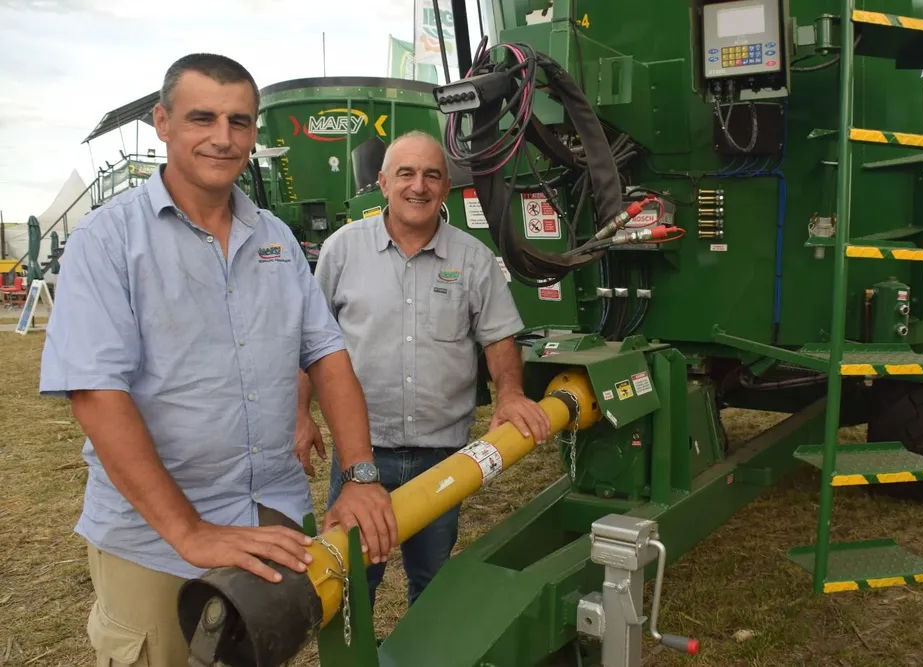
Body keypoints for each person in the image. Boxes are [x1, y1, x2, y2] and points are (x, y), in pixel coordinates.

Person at [38, 53, 395, 667]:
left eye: (241, 121)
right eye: (203, 118)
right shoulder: (109, 239)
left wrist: (360, 473)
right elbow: (97, 394)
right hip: (156, 539)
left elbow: (328, 355)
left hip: (270, 517)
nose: (223, 138)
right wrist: (190, 531)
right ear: (163, 122)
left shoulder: (277, 241)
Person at [298, 130, 551, 609]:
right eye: (406, 174)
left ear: (446, 188)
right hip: (361, 457)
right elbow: (313, 343)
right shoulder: (341, 250)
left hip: (443, 456)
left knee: (432, 583)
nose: (419, 186)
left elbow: (498, 338)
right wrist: (299, 413)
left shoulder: (473, 259)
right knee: (351, 581)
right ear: (383, 182)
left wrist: (511, 394)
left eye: (432, 175)